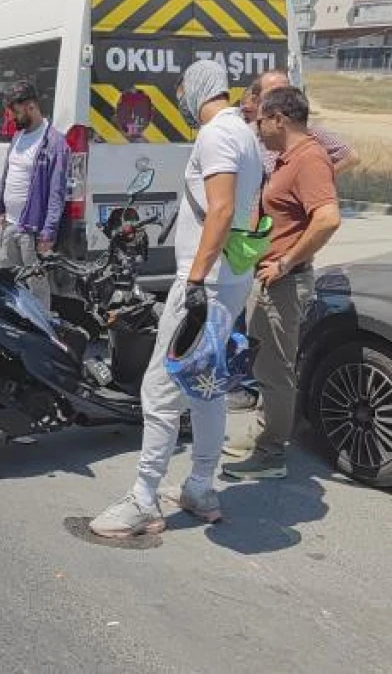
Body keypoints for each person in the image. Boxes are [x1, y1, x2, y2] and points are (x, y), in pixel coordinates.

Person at [88, 60, 264, 537]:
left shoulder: (216, 135)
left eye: (184, 88)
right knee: (206, 387)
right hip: (229, 280)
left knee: (160, 389)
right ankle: (201, 487)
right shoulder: (245, 133)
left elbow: (223, 208)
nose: (181, 97)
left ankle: (144, 499)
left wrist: (194, 281)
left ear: (200, 87)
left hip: (205, 283)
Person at [221, 87, 342, 480]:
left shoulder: (309, 159)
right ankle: (262, 436)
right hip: (270, 277)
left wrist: (286, 262)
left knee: (275, 370)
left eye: (261, 121)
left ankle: (272, 453)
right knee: (266, 365)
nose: (257, 130)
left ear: (279, 119)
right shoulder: (290, 157)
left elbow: (327, 218)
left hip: (283, 283)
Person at [0, 80, 70, 308]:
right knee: (7, 285)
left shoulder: (55, 143)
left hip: (32, 231)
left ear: (31, 107)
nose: (13, 118)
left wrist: (48, 233)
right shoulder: (18, 136)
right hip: (8, 225)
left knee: (36, 289)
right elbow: (8, 174)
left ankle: (41, 334)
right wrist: (1, 210)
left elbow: (57, 193)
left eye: (16, 112)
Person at [241, 70, 361, 175]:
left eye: (286, 91)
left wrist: (316, 182)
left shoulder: (305, 128)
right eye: (274, 92)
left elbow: (350, 156)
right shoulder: (246, 133)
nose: (281, 97)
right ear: (255, 99)